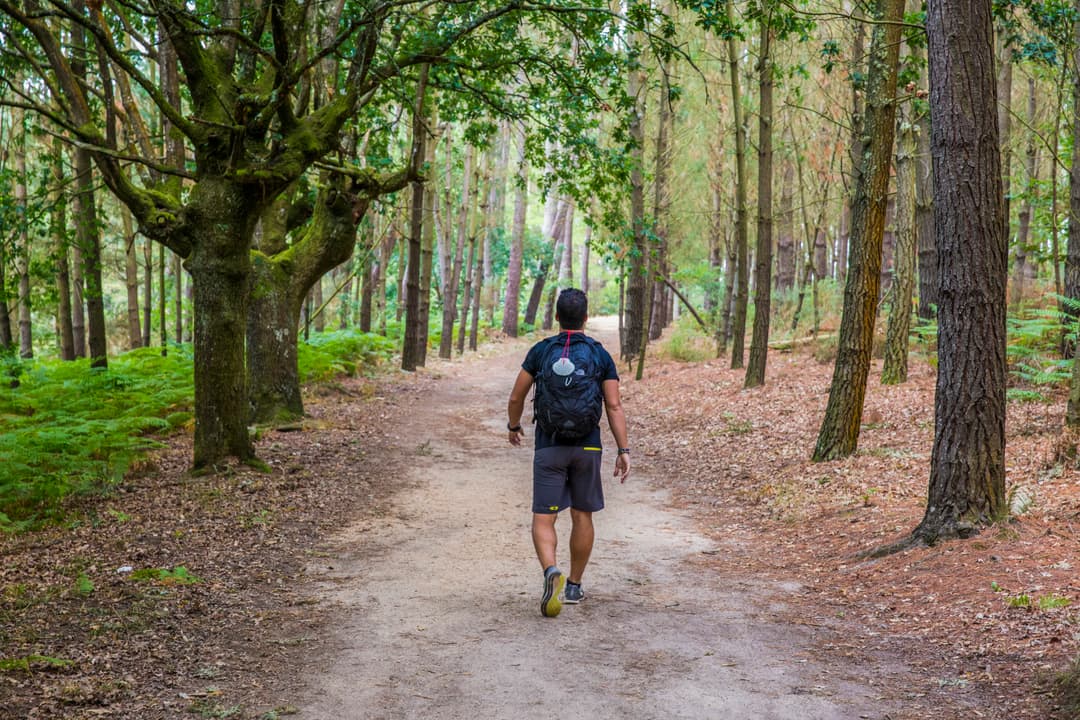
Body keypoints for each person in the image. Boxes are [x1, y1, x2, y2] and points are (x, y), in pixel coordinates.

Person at [506, 288, 630, 618]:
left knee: (544, 517)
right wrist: (623, 449)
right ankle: (574, 585)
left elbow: (516, 397)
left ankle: (551, 570)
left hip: (550, 445)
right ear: (586, 318)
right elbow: (614, 405)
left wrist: (513, 426)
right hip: (587, 446)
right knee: (582, 514)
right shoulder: (599, 354)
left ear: (557, 317)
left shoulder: (541, 351)